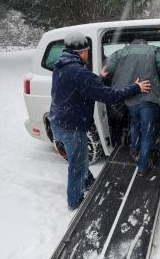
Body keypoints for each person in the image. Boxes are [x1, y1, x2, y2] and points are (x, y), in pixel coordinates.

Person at [50, 31, 151, 210]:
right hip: (72, 128)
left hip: (58, 122)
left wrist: (99, 79)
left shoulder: (61, 65)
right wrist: (135, 87)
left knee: (79, 159)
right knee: (77, 165)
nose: (88, 54)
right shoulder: (79, 72)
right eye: (88, 51)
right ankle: (75, 202)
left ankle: (88, 182)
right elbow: (110, 96)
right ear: (82, 52)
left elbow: (82, 86)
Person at [103, 39, 160, 176]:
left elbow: (109, 67)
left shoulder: (120, 52)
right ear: (145, 44)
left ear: (132, 44)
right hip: (149, 97)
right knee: (147, 132)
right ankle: (143, 166)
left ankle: (134, 149)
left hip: (131, 97)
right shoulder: (155, 50)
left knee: (134, 123)